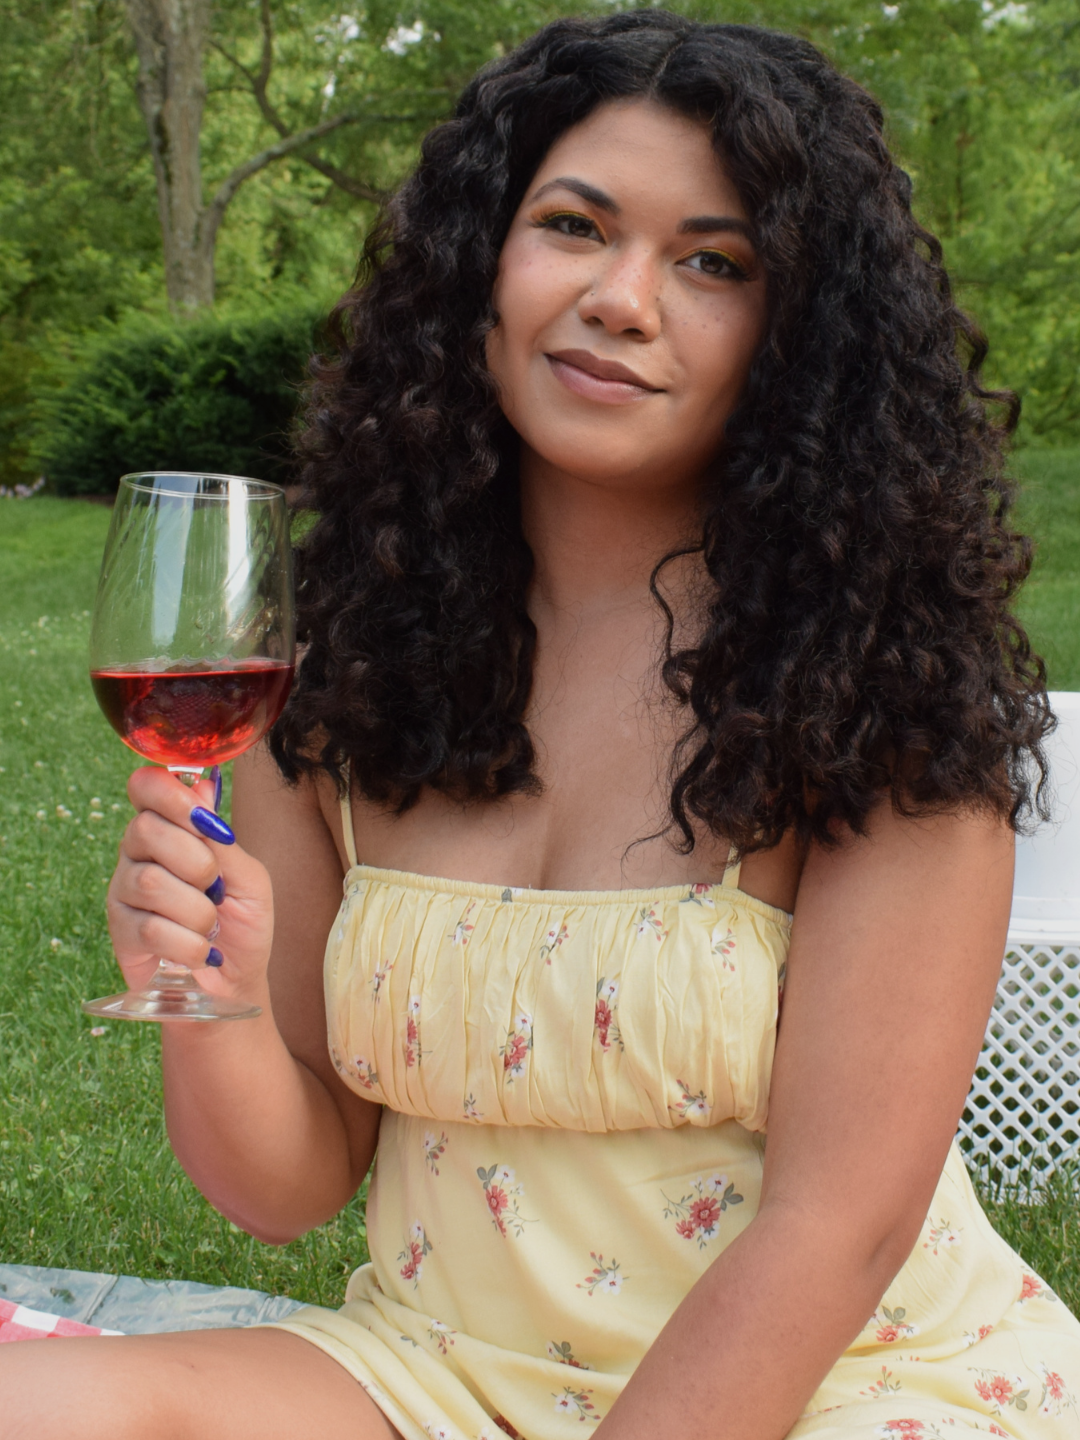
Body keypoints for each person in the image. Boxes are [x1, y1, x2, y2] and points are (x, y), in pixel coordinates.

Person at [6, 10, 1079, 1439]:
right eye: (574, 226)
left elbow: (837, 1231)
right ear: (479, 267)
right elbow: (292, 1182)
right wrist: (210, 995)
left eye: (714, 261)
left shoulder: (877, 693)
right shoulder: (335, 676)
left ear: (797, 336)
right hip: (436, 1372)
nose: (624, 299)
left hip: (833, 1388)